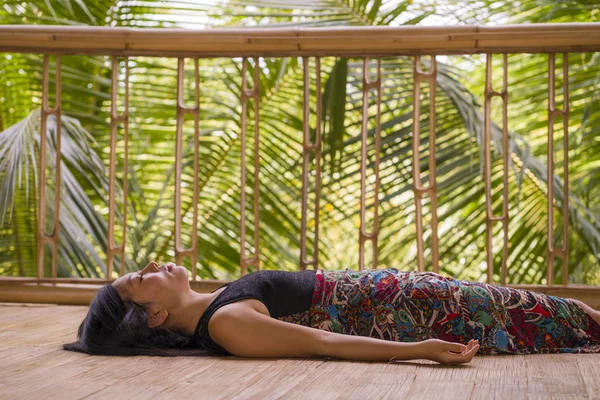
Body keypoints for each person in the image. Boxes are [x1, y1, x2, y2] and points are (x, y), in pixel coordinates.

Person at [64, 261, 600, 365]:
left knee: (570, 315)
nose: (151, 265)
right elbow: (323, 344)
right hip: (413, 312)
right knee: (572, 318)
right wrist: (416, 351)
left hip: (410, 292)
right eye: (140, 278)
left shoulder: (219, 303)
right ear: (154, 315)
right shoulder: (226, 324)